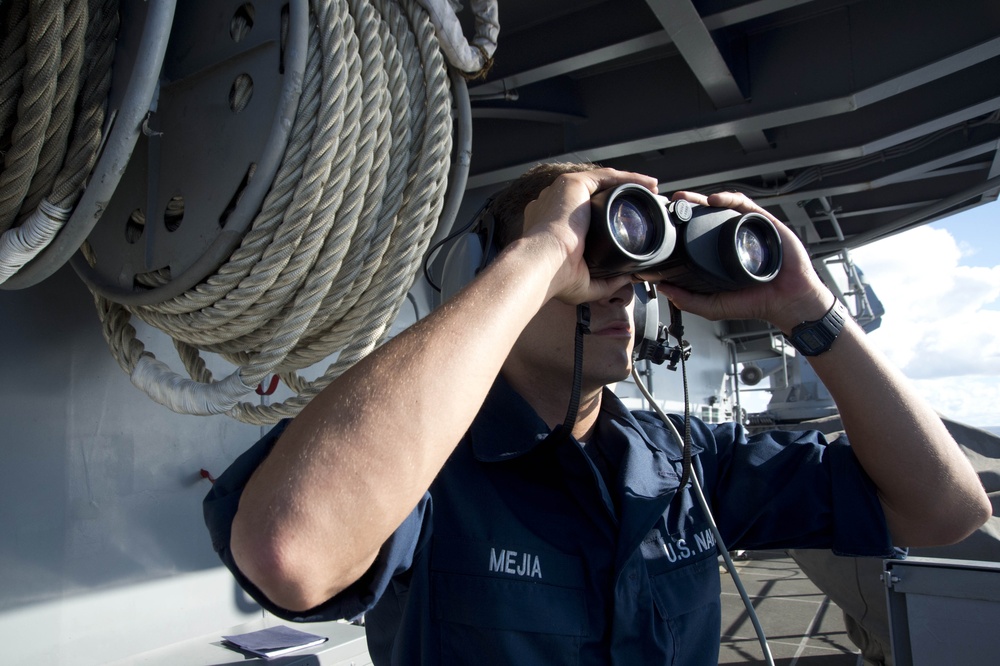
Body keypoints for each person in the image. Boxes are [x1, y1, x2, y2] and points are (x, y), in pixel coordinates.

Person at [203, 163, 990, 665]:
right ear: (492, 276)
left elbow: (946, 510)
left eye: (629, 270)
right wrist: (545, 254)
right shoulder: (430, 471)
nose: (624, 290)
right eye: (596, 263)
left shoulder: (687, 460)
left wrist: (806, 305)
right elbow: (289, 551)